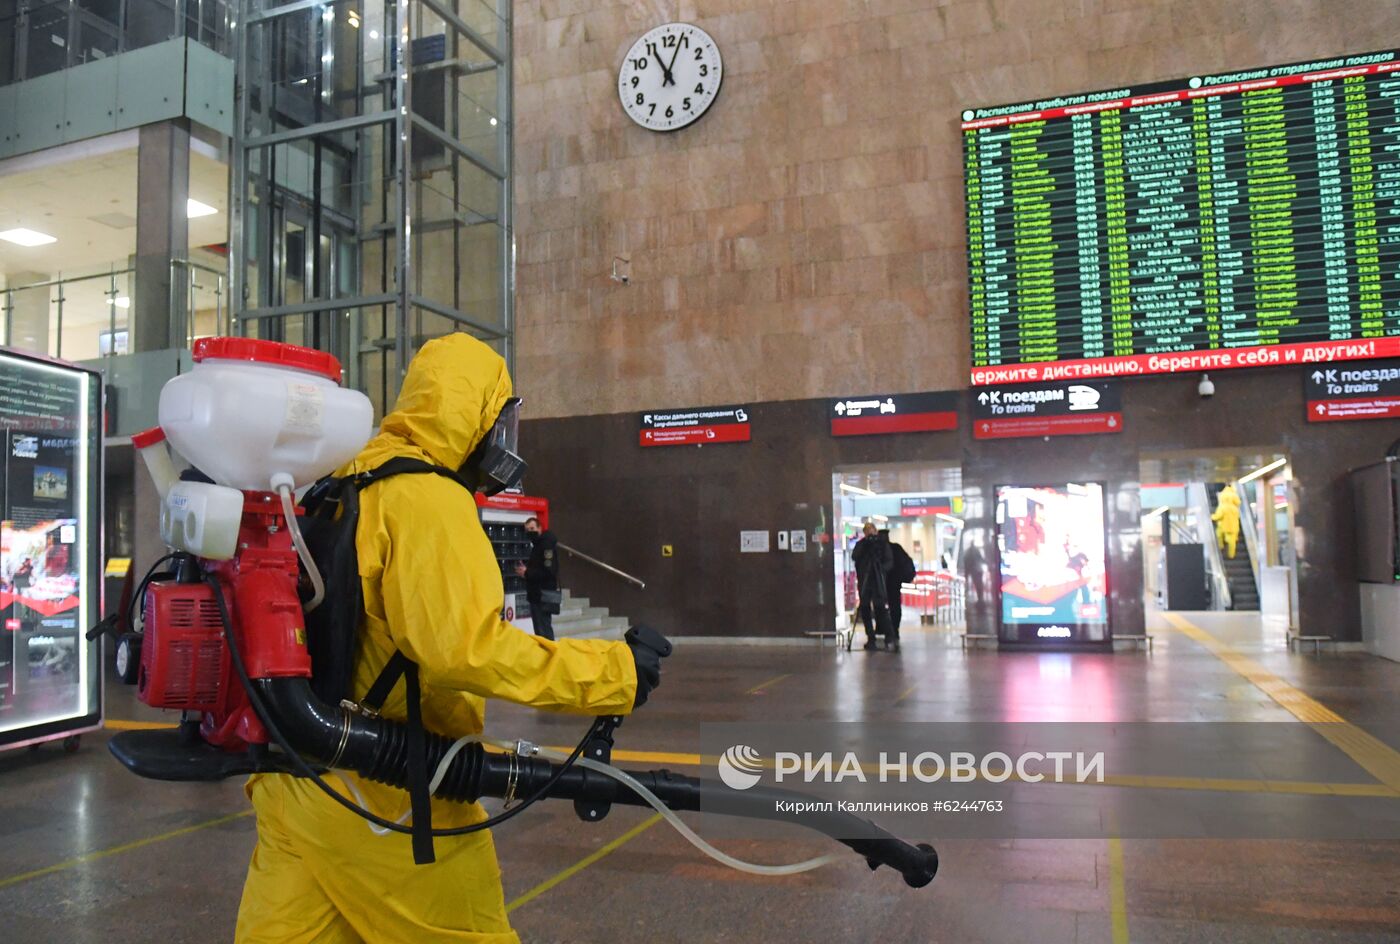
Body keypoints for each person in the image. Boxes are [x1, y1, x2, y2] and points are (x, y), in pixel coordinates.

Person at [236, 333, 664, 944]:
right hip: (386, 801)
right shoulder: (426, 499)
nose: (504, 442)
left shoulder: (341, 480)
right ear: (474, 420)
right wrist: (615, 674)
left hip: (297, 787)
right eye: (501, 421)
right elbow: (467, 649)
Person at [514, 516, 559, 640]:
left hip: (542, 595)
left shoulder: (546, 546)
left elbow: (549, 571)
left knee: (544, 630)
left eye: (532, 528)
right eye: (527, 530)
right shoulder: (538, 545)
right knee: (540, 630)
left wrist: (528, 572)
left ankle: (550, 656)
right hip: (536, 595)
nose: (530, 532)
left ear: (539, 528)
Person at [851, 522, 893, 651]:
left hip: (877, 581)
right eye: (866, 530)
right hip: (865, 580)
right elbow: (854, 556)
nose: (869, 532)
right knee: (865, 608)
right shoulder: (862, 544)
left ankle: (889, 636)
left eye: (871, 529)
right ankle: (870, 637)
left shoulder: (882, 544)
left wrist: (881, 570)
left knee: (880, 608)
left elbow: (889, 561)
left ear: (875, 530)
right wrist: (865, 544)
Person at [881, 530, 917, 652]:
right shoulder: (896, 548)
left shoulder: (879, 551)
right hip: (895, 584)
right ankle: (894, 631)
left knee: (881, 607)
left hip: (885, 583)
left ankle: (887, 631)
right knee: (895, 607)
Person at [1212, 483, 1242, 559]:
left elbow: (1218, 516)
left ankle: (1221, 547)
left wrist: (1212, 517)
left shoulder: (1222, 507)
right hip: (1234, 527)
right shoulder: (1235, 509)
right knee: (1232, 541)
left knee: (1219, 535)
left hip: (1224, 526)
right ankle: (1231, 555)